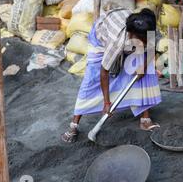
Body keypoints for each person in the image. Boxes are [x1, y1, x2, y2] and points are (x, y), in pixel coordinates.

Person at [62, 8, 162, 143]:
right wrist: (107, 102)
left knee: (146, 70)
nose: (144, 43)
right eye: (141, 40)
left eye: (145, 39)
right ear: (131, 35)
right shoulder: (117, 41)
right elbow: (104, 71)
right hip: (101, 39)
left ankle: (145, 119)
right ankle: (74, 125)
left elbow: (151, 47)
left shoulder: (148, 28)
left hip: (126, 35)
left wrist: (143, 67)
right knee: (92, 78)